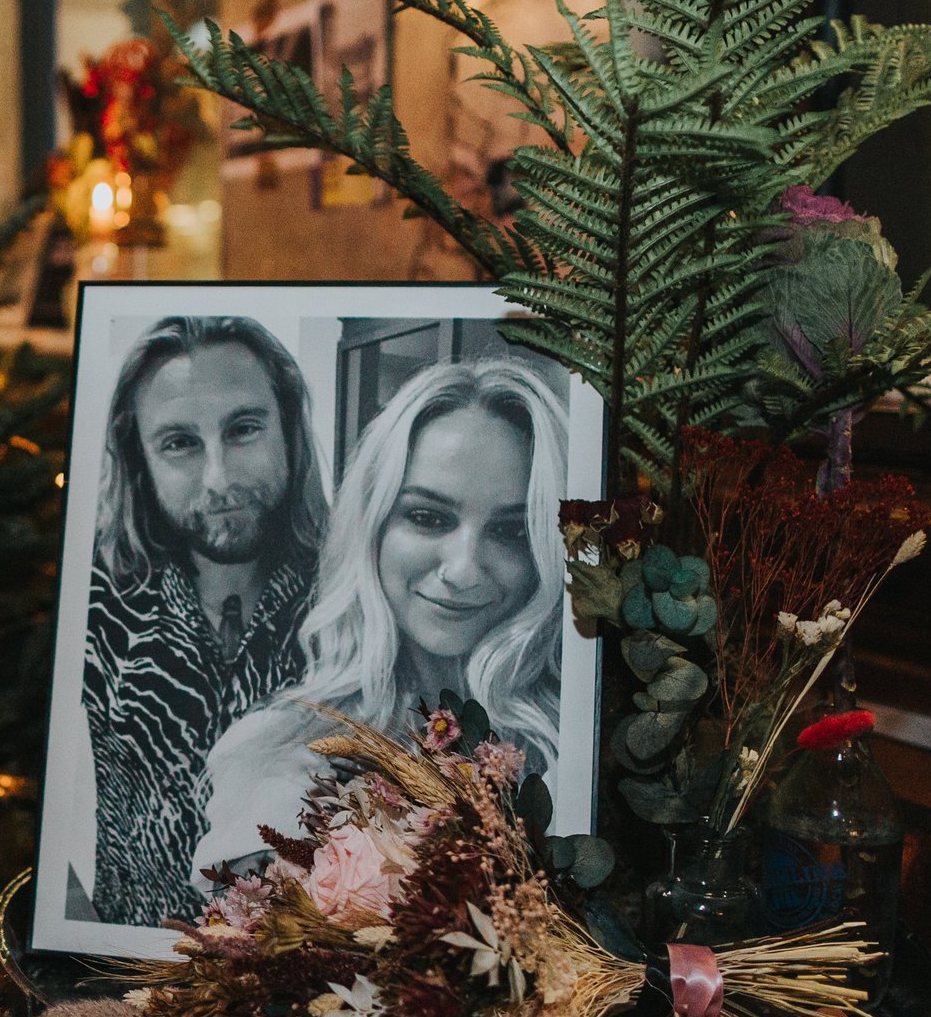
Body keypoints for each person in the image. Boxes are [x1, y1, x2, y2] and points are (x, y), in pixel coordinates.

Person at [194, 351, 568, 878]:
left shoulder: (581, 737)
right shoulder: (280, 757)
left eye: (512, 531)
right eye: (427, 517)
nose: (462, 570)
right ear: (371, 526)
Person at [79, 316, 328, 925]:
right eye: (180, 443)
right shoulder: (94, 609)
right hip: (133, 980)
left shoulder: (359, 604)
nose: (219, 479)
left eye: (244, 430)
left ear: (289, 431)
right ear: (141, 461)